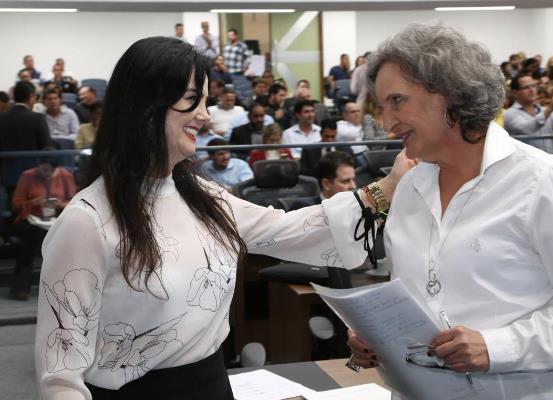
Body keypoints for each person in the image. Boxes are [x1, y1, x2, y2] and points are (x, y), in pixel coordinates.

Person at [35, 36, 410, 399]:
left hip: (212, 385)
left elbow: (293, 229)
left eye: (206, 101)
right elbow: (61, 372)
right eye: (191, 100)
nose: (204, 115)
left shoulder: (205, 198)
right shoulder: (87, 221)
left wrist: (387, 187)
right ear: (145, 107)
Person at [347, 23, 553, 399]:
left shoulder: (538, 180)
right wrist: (378, 334)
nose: (386, 123)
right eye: (381, 106)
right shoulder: (411, 187)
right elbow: (419, 293)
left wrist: (496, 347)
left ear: (448, 95)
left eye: (397, 101)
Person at [10, 153, 76, 300]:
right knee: (27, 240)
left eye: (49, 171)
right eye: (42, 170)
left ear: (56, 168)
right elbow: (16, 204)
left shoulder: (65, 175)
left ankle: (64, 287)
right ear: (38, 166)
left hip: (56, 218)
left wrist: (59, 204)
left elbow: (74, 202)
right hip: (32, 217)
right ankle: (21, 287)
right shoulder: (27, 176)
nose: (45, 173)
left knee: (67, 239)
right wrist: (33, 202)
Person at [0, 81, 52, 193]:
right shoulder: (38, 118)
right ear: (31, 96)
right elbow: (47, 149)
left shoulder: (1, 118)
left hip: (7, 176)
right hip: (34, 177)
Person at [290, 151, 356, 210]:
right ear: (326, 184)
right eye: (345, 181)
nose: (353, 186)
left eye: (353, 179)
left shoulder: (358, 207)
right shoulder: (304, 208)